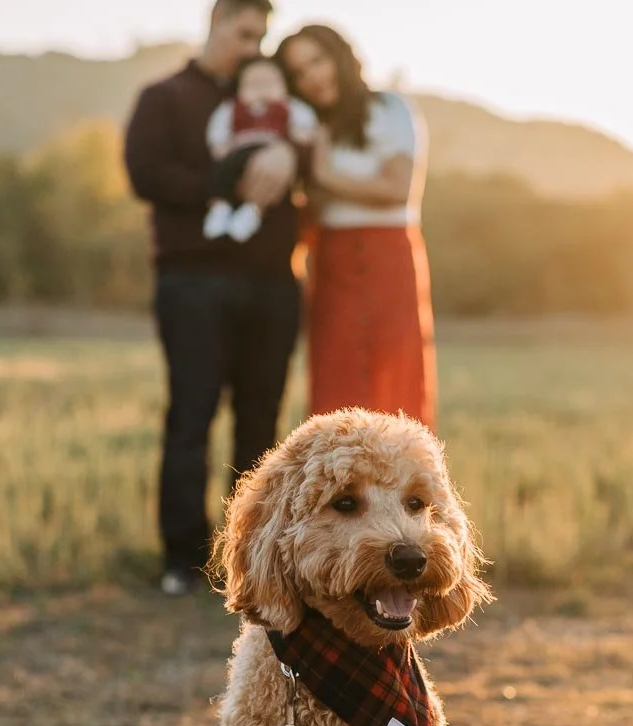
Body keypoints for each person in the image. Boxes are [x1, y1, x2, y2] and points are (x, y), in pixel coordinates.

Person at [123, 0, 303, 597]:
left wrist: (286, 154)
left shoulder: (277, 100)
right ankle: (183, 560)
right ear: (216, 23)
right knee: (191, 417)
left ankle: (253, 563)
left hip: (274, 281)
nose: (254, 47)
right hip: (193, 279)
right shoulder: (165, 97)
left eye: (262, 36)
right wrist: (226, 178)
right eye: (245, 33)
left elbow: (317, 142)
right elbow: (145, 175)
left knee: (262, 422)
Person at [278, 24, 437, 430]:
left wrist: (322, 176)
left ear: (341, 56)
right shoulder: (308, 126)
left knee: (397, 385)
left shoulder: (390, 109)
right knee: (335, 389)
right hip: (332, 264)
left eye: (317, 60)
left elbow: (396, 189)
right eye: (298, 73)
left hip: (390, 258)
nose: (311, 77)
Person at [204, 56, 318, 243]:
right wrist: (219, 146)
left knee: (266, 186)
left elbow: (305, 123)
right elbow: (218, 128)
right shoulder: (232, 109)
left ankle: (253, 211)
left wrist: (300, 137)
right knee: (219, 176)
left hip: (271, 150)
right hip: (238, 152)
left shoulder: (288, 107)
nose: (262, 89)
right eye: (254, 84)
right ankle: (219, 209)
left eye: (268, 82)